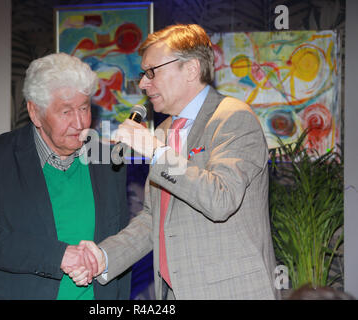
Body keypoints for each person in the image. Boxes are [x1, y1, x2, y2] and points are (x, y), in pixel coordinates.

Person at [72, 24, 279, 300]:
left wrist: (154, 151)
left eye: (152, 72)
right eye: (144, 74)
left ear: (191, 69)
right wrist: (104, 257)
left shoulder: (233, 119)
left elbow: (221, 199)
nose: (144, 84)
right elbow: (152, 218)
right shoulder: (165, 130)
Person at [0, 53, 131, 299]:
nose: (80, 123)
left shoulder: (109, 160)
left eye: (84, 108)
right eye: (66, 112)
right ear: (35, 112)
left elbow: (120, 245)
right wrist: (59, 256)